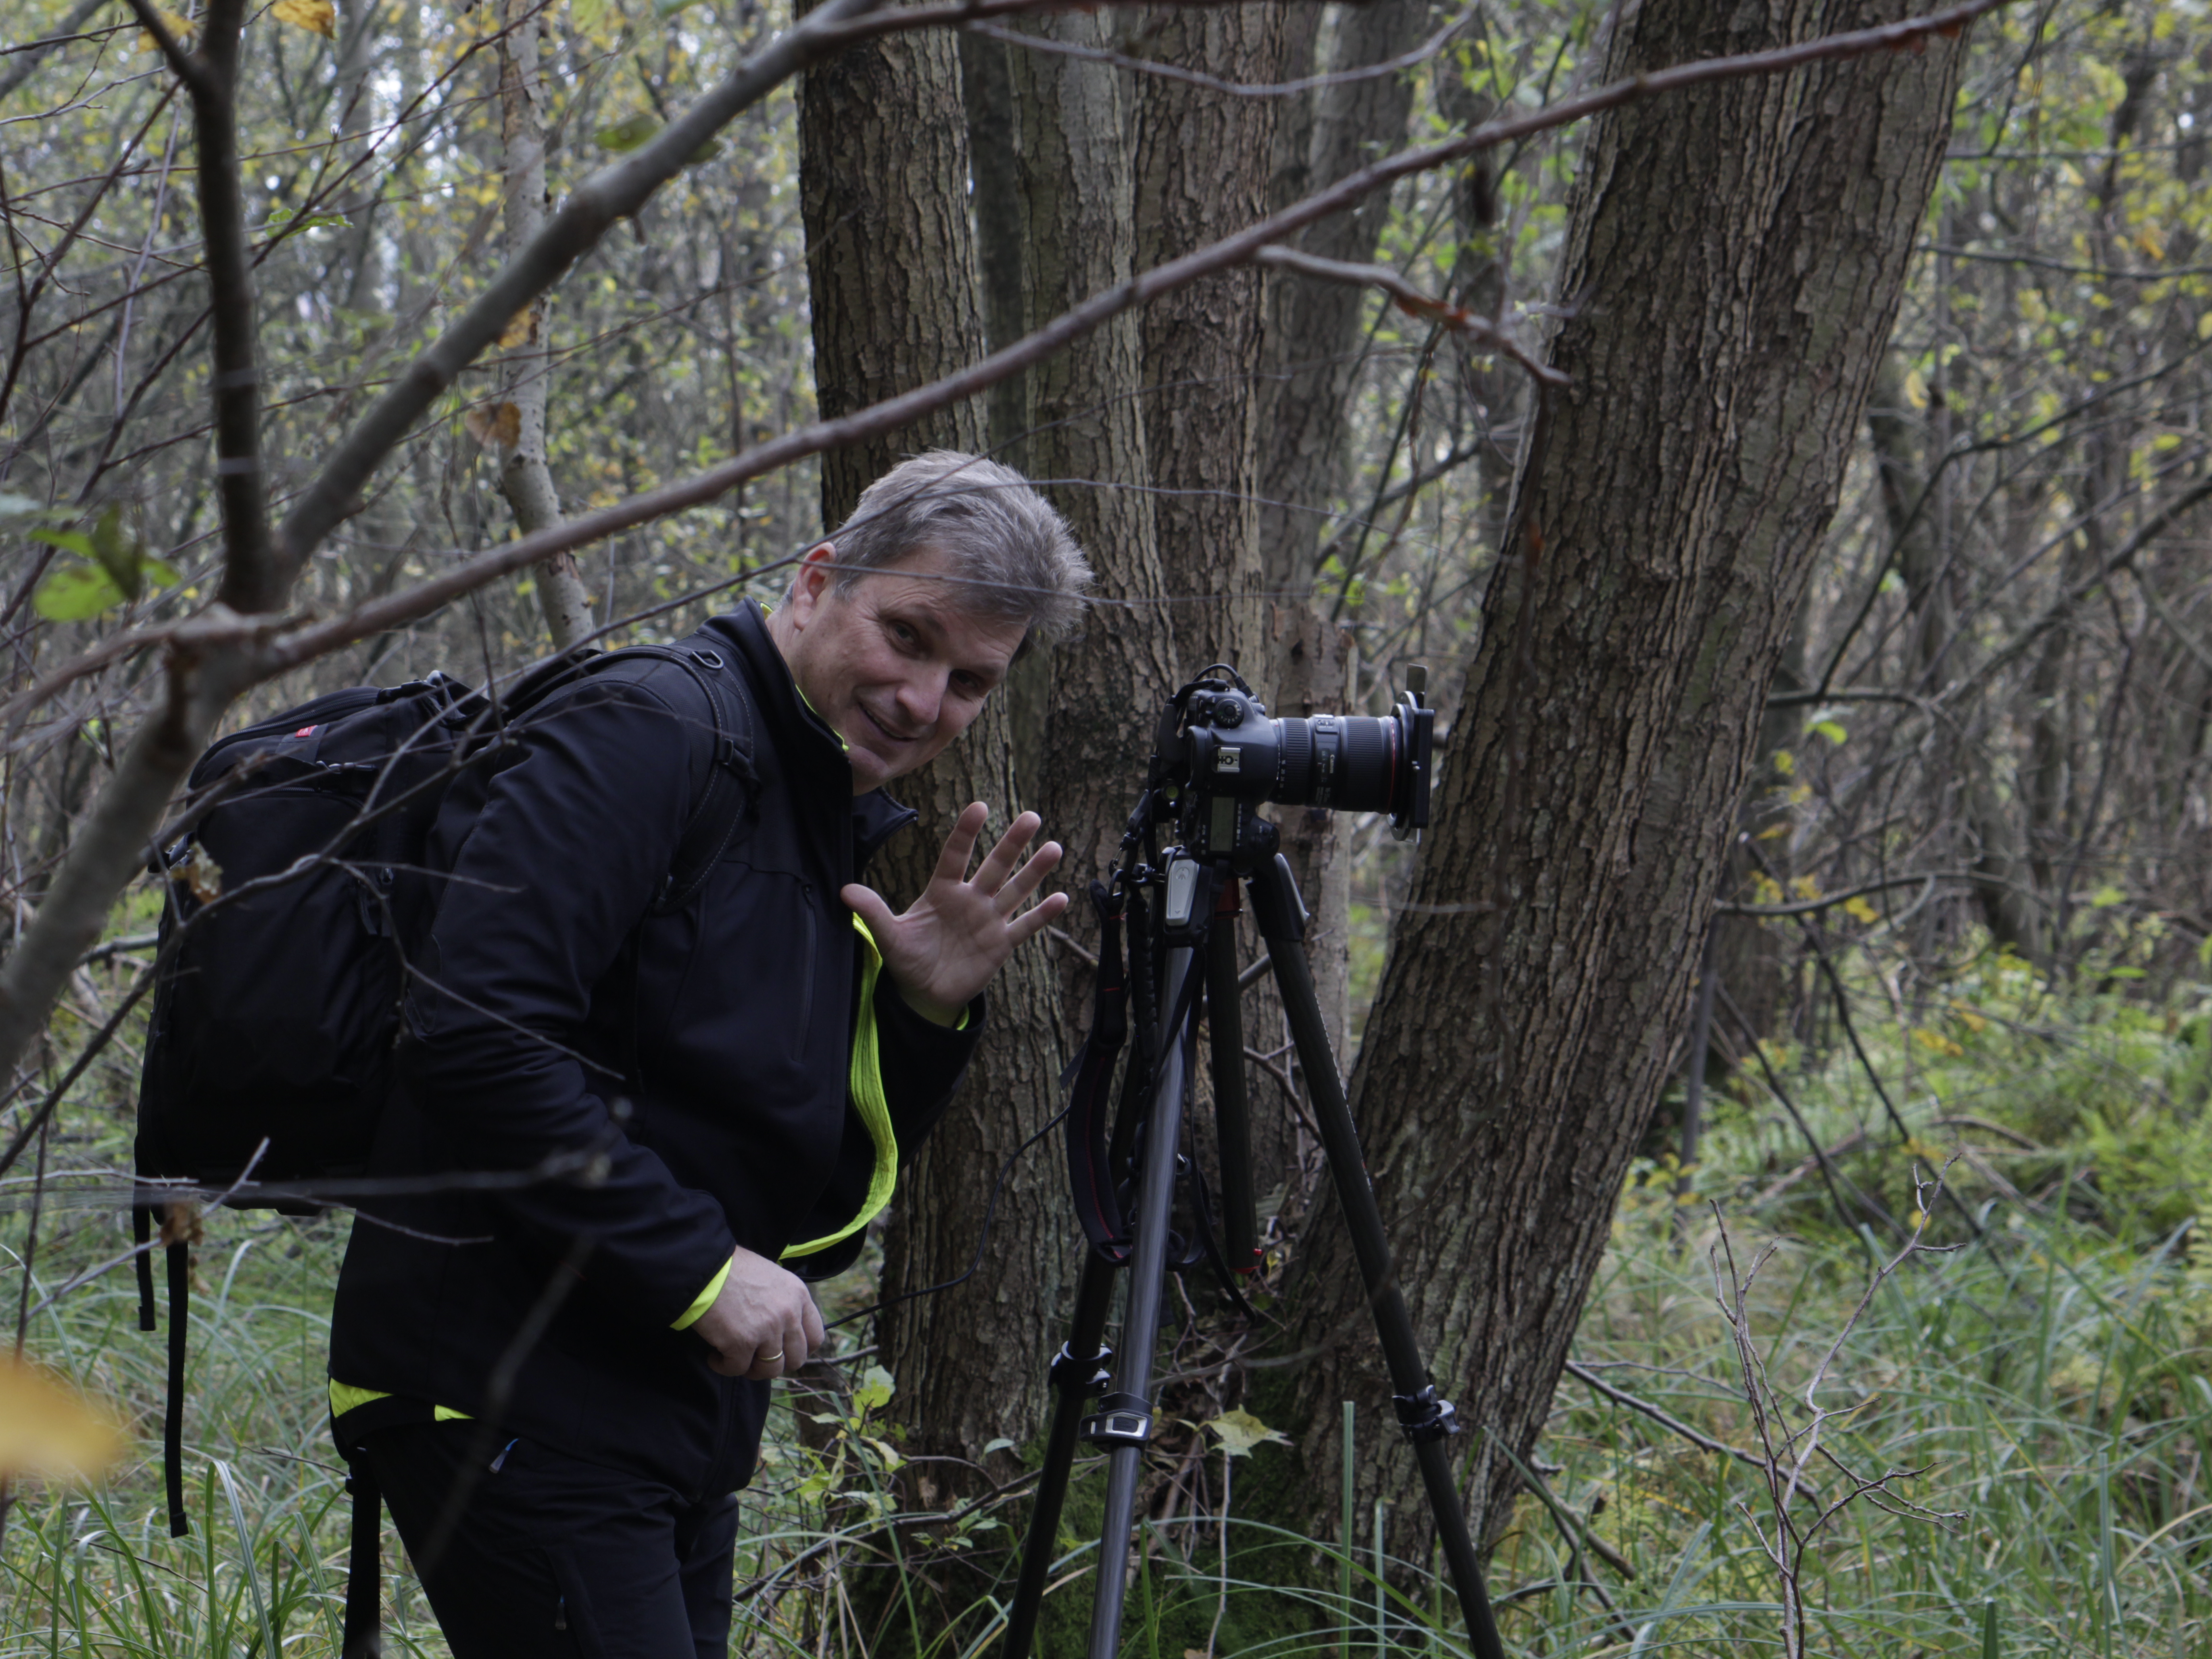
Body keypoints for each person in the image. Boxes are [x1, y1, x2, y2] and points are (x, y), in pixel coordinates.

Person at [326, 451, 1093, 1657]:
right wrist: (694, 1265)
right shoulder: (652, 730)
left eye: (969, 682)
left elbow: (800, 1208)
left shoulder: (802, 803)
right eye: (907, 636)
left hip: (661, 1413)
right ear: (817, 582)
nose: (921, 700)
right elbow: (472, 1029)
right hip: (510, 1383)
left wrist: (918, 1014)